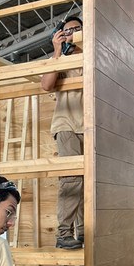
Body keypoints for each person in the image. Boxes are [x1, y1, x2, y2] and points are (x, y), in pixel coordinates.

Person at [41, 15, 84, 250]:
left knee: (89, 181)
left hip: (90, 127)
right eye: (67, 31)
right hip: (67, 125)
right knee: (72, 178)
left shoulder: (92, 55)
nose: (72, 33)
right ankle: (64, 233)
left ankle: (83, 230)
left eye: (77, 29)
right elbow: (46, 85)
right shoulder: (61, 59)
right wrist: (57, 51)